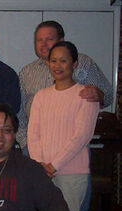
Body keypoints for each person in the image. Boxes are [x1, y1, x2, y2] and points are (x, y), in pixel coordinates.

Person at [28, 41, 99, 211]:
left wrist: (54, 164)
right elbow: (33, 132)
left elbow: (82, 136)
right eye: (53, 60)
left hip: (71, 172)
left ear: (75, 63)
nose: (57, 65)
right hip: (42, 172)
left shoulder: (85, 96)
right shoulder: (41, 96)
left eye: (64, 60)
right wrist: (39, 164)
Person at [18, 20, 112, 152]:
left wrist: (100, 95)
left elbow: (107, 95)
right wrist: (25, 142)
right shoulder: (26, 72)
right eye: (39, 40)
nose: (43, 44)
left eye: (49, 39)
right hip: (35, 146)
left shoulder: (82, 63)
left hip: (72, 146)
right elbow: (20, 112)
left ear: (61, 40)